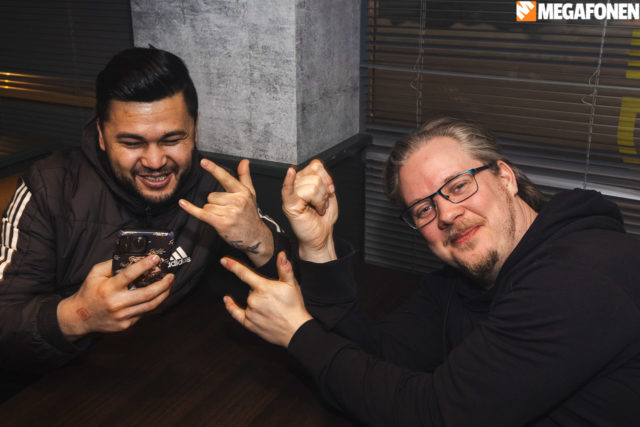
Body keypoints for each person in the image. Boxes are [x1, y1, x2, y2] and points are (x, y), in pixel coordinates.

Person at [219, 117, 640, 426]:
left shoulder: (579, 275)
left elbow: (434, 415)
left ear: (506, 178)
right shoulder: (460, 283)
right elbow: (375, 355)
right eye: (423, 209)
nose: (447, 215)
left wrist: (299, 334)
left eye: (459, 185)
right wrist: (318, 245)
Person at [0, 47, 286, 380]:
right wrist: (79, 316)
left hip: (169, 372)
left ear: (194, 130)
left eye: (172, 139)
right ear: (101, 135)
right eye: (132, 143)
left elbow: (295, 291)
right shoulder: (49, 188)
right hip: (64, 384)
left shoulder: (214, 186)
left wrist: (258, 238)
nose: (154, 162)